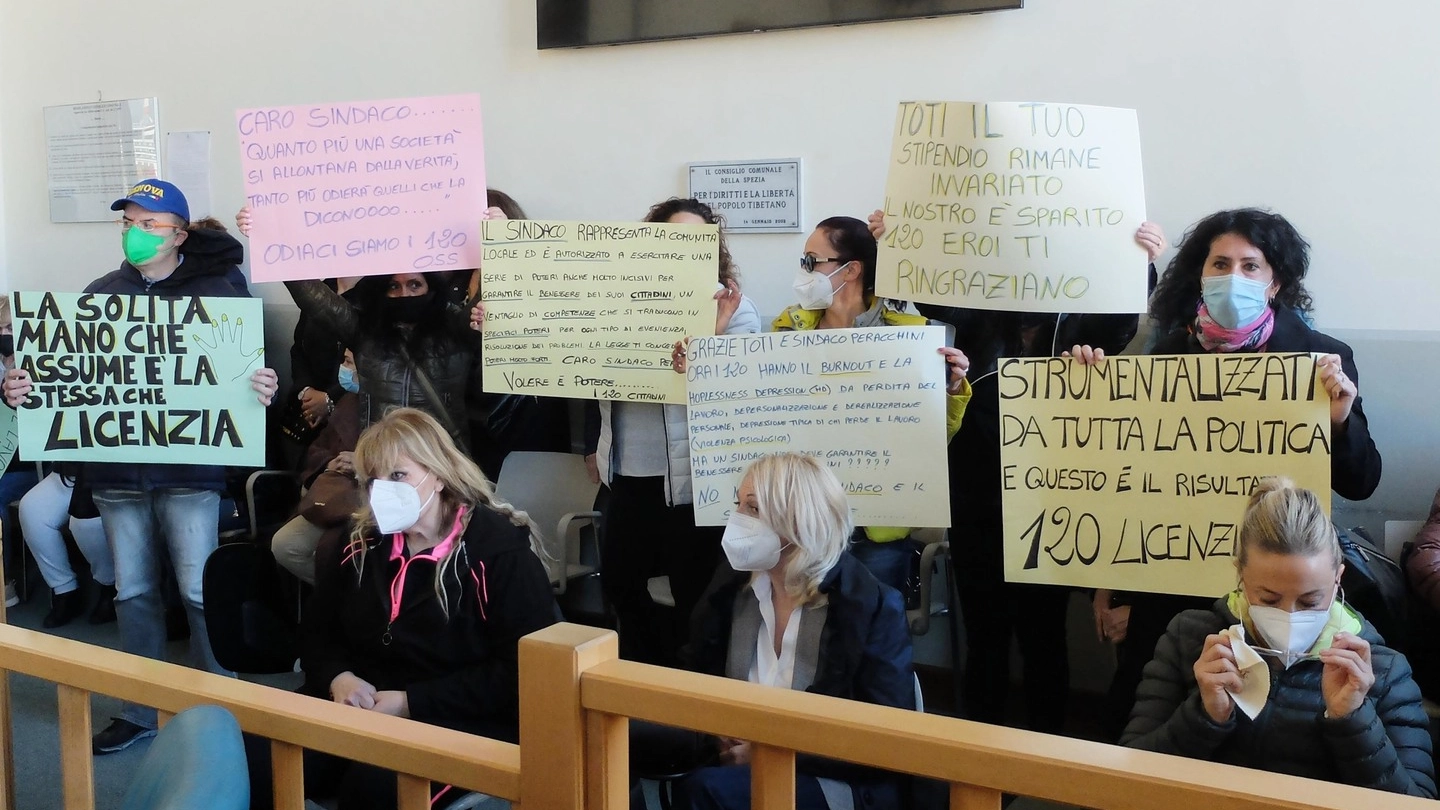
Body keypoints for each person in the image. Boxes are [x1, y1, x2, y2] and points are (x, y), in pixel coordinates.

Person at [1081, 208, 1382, 738]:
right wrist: (1085, 394)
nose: (1233, 278)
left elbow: (1362, 481)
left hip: (1273, 588)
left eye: (1250, 265)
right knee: (1145, 709)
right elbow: (1134, 479)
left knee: (1261, 727)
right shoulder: (1165, 357)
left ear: (1275, 282)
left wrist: (1337, 420)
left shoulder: (1324, 360)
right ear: (1200, 274)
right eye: (1220, 264)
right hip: (1171, 579)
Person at [3, 179, 279, 754]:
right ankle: (140, 710)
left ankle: (215, 705)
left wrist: (262, 386)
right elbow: (61, 381)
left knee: (199, 591)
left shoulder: (220, 292)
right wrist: (20, 390)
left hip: (190, 472)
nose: (134, 232)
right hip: (116, 474)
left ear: (180, 235)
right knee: (133, 592)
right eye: (127, 221)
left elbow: (244, 380)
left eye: (149, 224)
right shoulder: (98, 295)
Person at [867, 209, 1164, 732]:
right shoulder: (978, 304)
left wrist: (1138, 260)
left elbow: (1121, 320)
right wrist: (899, 242)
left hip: (1052, 495)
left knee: (1044, 636)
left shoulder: (1082, 312)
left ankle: (1045, 757)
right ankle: (982, 764)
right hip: (978, 494)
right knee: (985, 636)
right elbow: (927, 287)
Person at [247, 408, 557, 809]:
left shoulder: (497, 553)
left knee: (375, 791)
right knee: (255, 757)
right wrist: (339, 678)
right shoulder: (360, 543)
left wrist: (411, 702)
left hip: (461, 720)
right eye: (372, 480)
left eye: (398, 476)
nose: (382, 491)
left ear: (439, 475)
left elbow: (520, 673)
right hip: (362, 705)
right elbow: (319, 632)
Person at [1122, 478, 1434, 797]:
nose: (1290, 615)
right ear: (1241, 576)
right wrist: (1205, 716)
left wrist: (1353, 720)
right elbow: (1128, 780)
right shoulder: (1189, 639)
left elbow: (1418, 801)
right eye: (1269, 599)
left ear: (1338, 578)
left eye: (1311, 601)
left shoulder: (1383, 671)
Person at [655, 452, 915, 810]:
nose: (737, 521)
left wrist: (769, 752)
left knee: (706, 790)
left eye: (754, 509)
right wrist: (713, 732)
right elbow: (695, 676)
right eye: (738, 506)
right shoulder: (731, 587)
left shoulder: (870, 606)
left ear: (797, 520)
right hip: (735, 765)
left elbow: (888, 742)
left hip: (832, 774)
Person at [587, 197, 761, 666]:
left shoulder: (737, 309)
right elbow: (577, 367)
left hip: (692, 483)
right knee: (621, 584)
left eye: (695, 239)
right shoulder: (617, 299)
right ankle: (646, 678)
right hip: (625, 473)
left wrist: (711, 335)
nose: (683, 248)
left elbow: (740, 394)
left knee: (695, 594)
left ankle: (693, 698)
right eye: (671, 237)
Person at [766, 215, 971, 593]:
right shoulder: (785, 333)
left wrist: (952, 387)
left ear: (851, 269)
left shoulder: (912, 337)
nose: (803, 271)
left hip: (877, 526)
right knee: (808, 637)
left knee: (877, 640)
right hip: (803, 523)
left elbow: (934, 437)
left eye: (812, 261)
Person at [271, 350, 362, 584]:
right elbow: (316, 449)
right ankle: (340, 597)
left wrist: (363, 463)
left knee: (333, 550)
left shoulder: (396, 402)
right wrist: (330, 463)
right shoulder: (348, 401)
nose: (343, 365)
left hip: (367, 499)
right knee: (284, 545)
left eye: (348, 362)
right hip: (334, 493)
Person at [18, 466, 115, 627]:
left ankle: (109, 586)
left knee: (84, 523)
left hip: (110, 475)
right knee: (31, 508)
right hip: (69, 473)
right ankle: (64, 589)